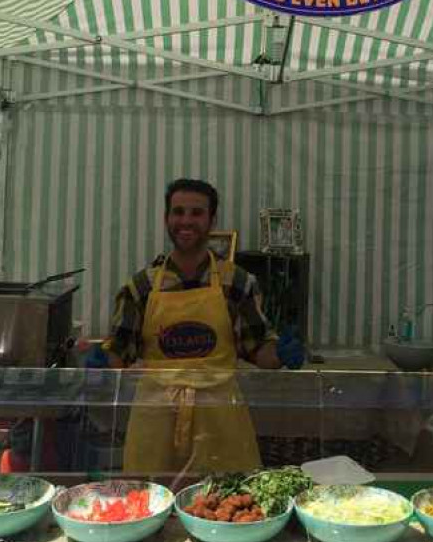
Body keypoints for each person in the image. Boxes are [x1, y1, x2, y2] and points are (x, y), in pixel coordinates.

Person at [100, 179, 304, 478]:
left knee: (226, 506)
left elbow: (260, 352)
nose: (186, 221)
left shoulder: (237, 282)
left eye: (196, 213)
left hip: (220, 418)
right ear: (166, 218)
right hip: (156, 418)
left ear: (211, 220)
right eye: (178, 212)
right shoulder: (140, 287)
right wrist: (99, 359)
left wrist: (282, 353)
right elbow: (119, 358)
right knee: (150, 504)